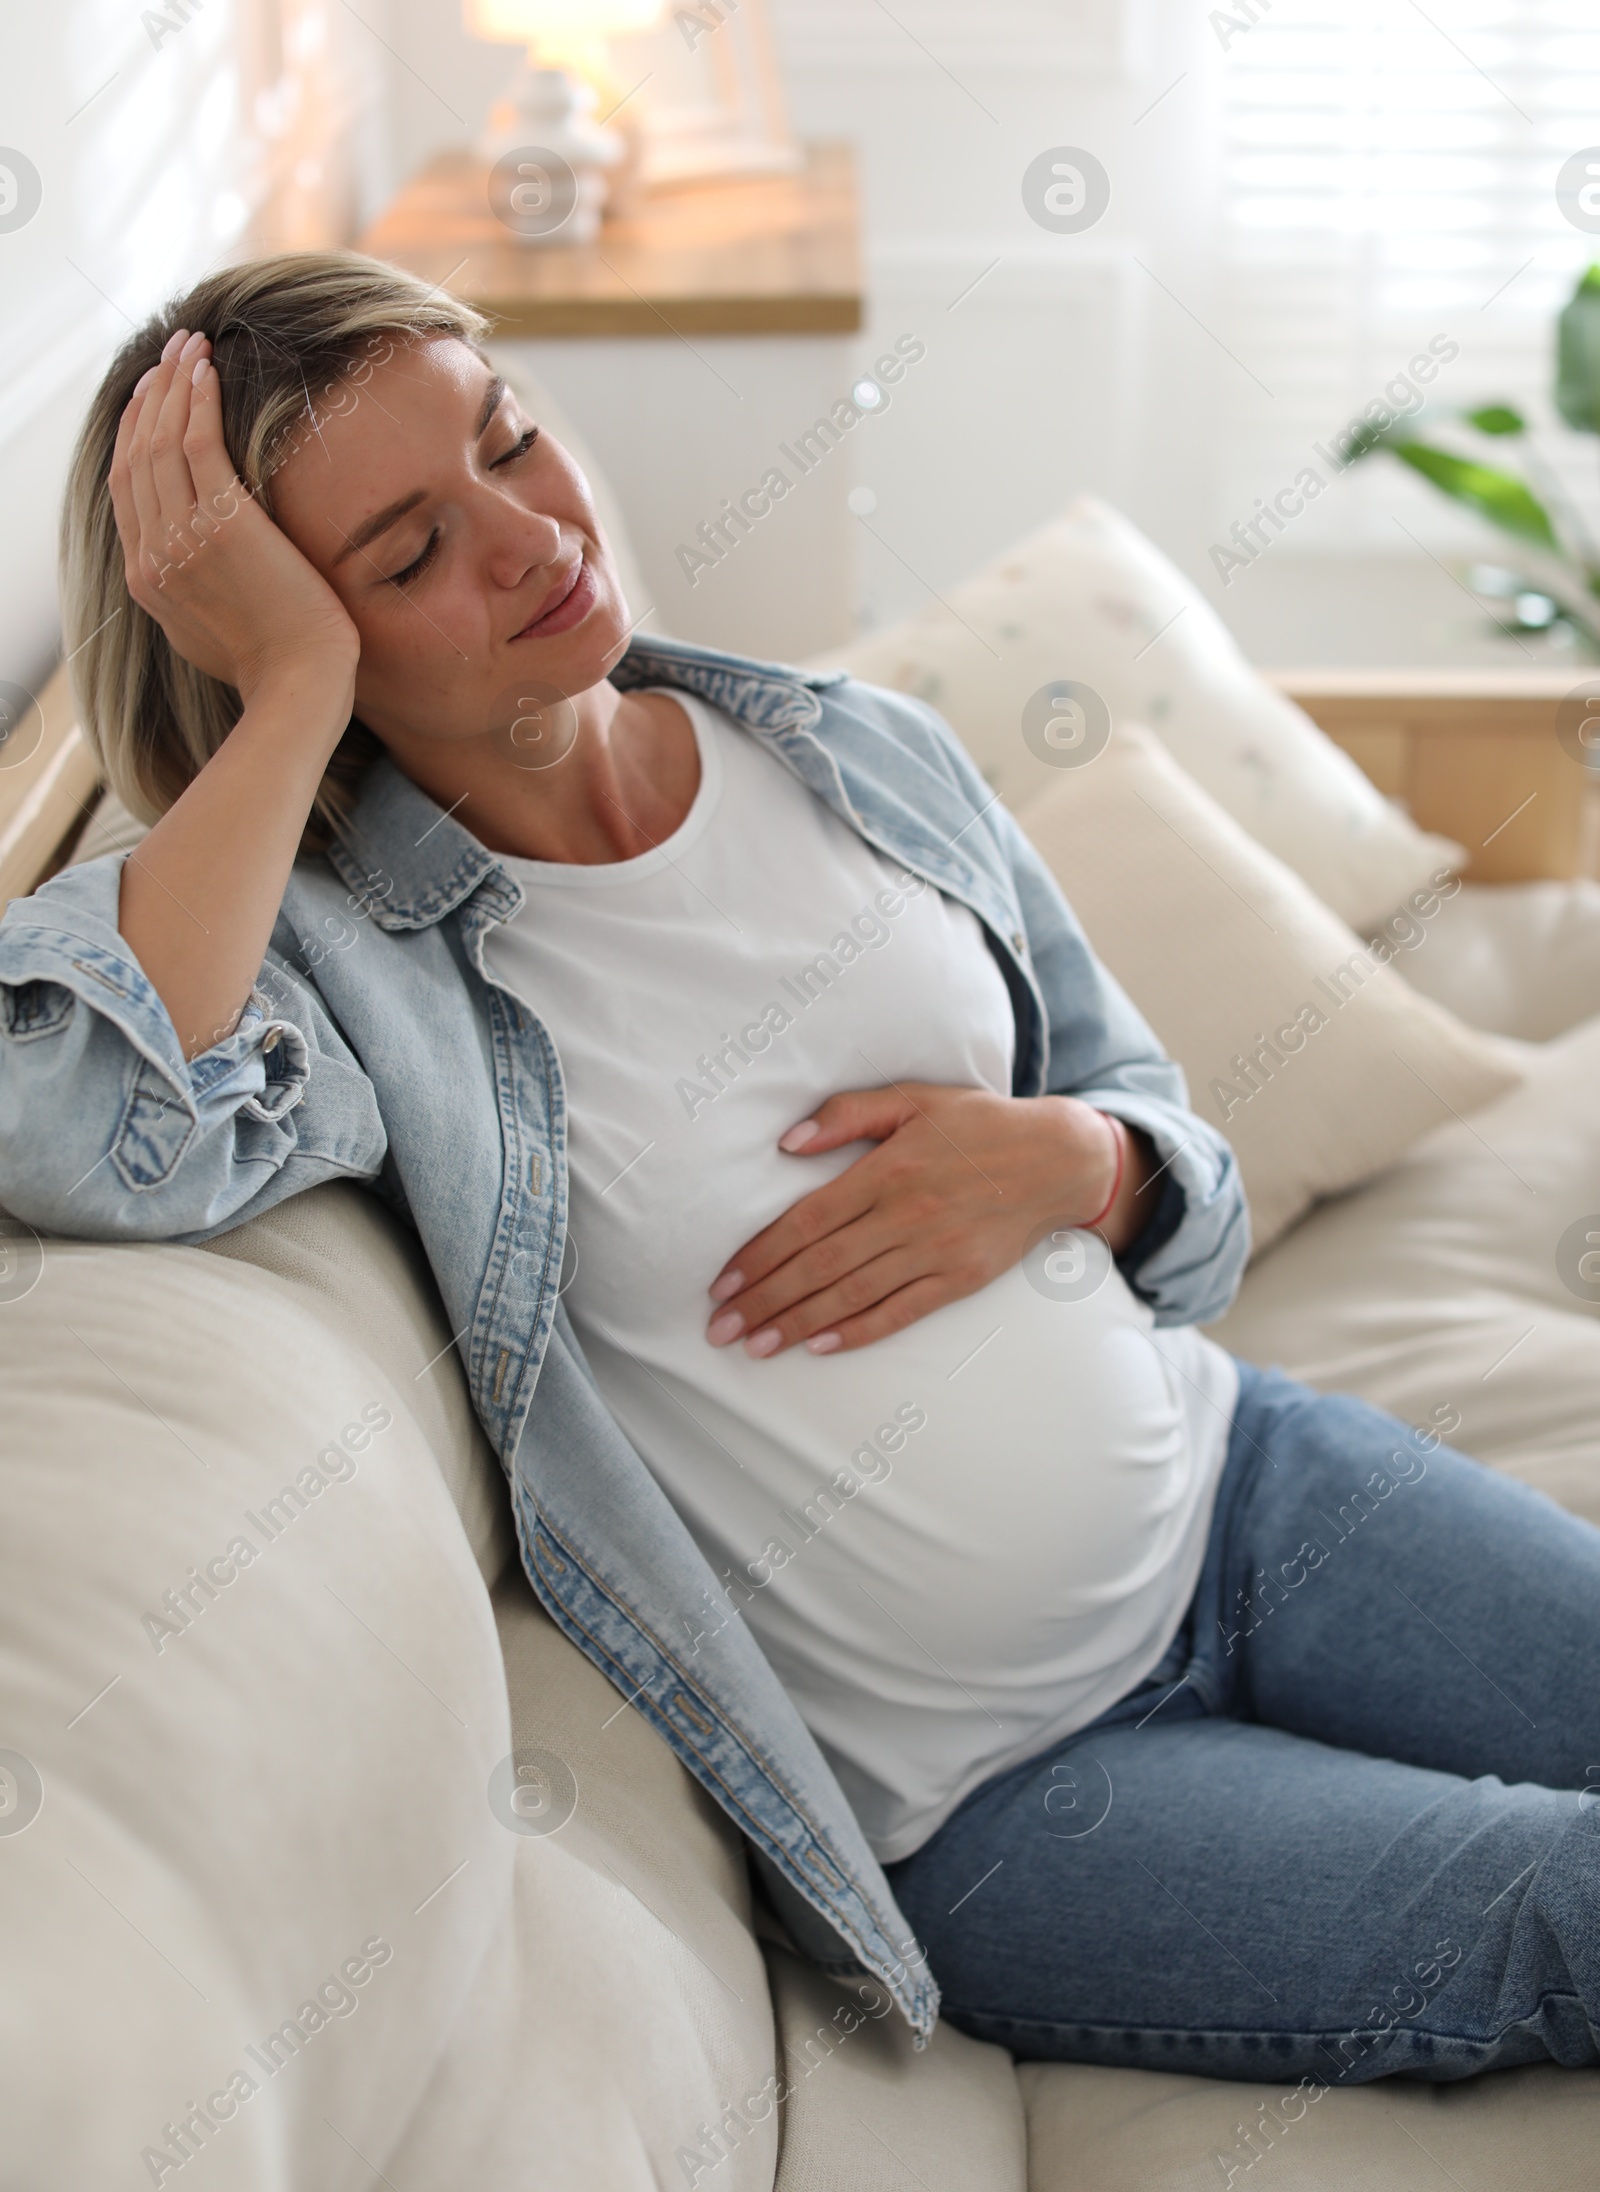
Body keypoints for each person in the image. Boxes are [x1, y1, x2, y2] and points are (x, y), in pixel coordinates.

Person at [4, 250, 1598, 2087]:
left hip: (1257, 1492)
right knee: (1568, 1903)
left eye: (510, 442)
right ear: (290, 639)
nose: (528, 541)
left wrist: (1082, 1164)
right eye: (407, 556)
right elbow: (74, 1124)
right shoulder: (367, 981)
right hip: (1002, 1801)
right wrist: (286, 691)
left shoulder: (848, 751)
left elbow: (1179, 1163)